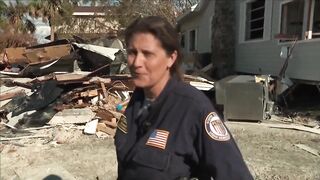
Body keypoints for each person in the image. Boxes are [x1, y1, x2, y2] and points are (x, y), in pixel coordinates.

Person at [114, 16, 253, 180]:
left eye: (147, 54)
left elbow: (235, 174)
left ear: (171, 58)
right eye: (132, 52)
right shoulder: (138, 100)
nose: (136, 62)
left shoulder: (194, 108)